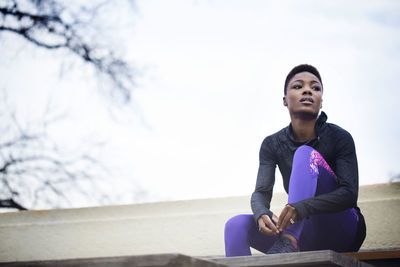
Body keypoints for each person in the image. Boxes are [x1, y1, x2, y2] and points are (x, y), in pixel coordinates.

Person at [224, 64, 366, 256]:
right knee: (235, 225)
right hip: (305, 233)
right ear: (284, 100)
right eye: (298, 86)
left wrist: (301, 208)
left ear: (321, 101)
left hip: (342, 230)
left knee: (305, 153)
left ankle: (289, 241)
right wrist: (261, 213)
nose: (308, 90)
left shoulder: (339, 137)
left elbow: (349, 195)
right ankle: (288, 242)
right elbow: (261, 192)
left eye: (315, 88)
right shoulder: (272, 144)